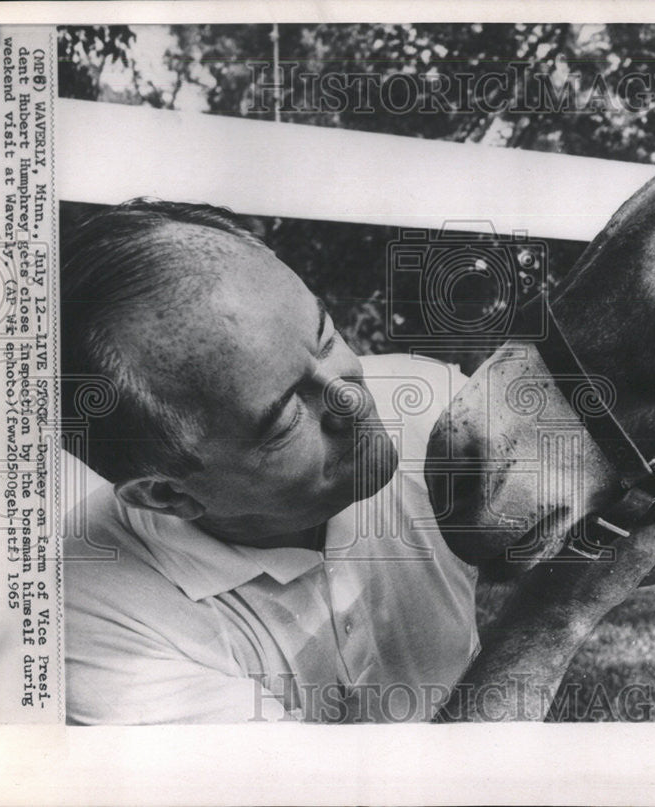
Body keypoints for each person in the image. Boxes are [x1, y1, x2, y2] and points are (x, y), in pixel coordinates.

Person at [60, 199, 478, 723]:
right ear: (168, 495)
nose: (352, 399)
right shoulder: (92, 629)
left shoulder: (440, 408)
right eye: (283, 418)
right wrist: (557, 617)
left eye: (325, 339)